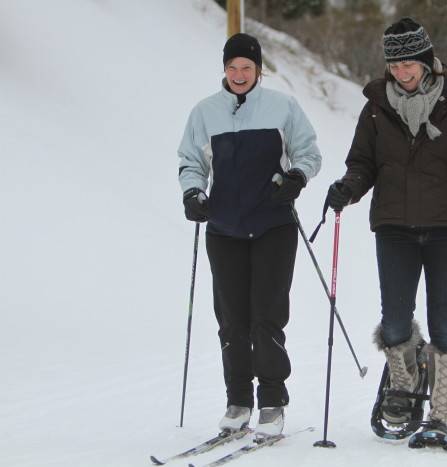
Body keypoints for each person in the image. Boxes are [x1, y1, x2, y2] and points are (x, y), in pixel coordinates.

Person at [325, 17, 447, 445]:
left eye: (410, 64)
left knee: (444, 323)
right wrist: (348, 188)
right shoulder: (375, 107)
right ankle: (403, 385)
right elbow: (363, 163)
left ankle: (441, 414)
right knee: (395, 319)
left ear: (426, 62)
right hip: (395, 227)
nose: (402, 73)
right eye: (395, 65)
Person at [177, 32, 321, 436]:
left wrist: (297, 176)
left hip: (274, 224)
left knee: (267, 316)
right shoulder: (205, 113)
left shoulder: (282, 107)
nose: (239, 74)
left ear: (259, 70)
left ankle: (272, 401)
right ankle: (238, 399)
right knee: (232, 320)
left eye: (247, 67)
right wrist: (193, 192)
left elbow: (308, 151)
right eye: (232, 67)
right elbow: (191, 161)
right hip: (224, 228)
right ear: (224, 70)